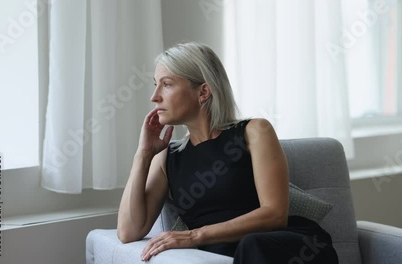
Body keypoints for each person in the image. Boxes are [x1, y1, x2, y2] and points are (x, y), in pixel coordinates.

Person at [117, 42, 338, 263]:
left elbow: (275, 214)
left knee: (251, 245)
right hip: (230, 256)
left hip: (286, 247)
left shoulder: (254, 132)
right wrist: (143, 155)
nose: (154, 97)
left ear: (203, 92)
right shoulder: (167, 157)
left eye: (166, 85)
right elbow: (129, 231)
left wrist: (195, 235)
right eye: (156, 85)